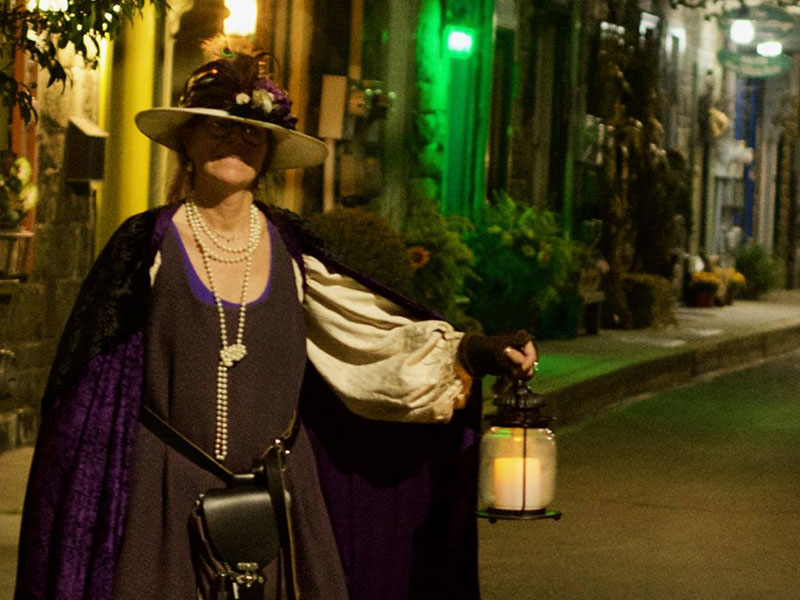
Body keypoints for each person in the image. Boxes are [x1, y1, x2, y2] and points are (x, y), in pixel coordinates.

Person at [15, 49, 537, 600]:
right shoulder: (144, 248)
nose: (235, 143)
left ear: (267, 154)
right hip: (162, 500)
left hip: (281, 502)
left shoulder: (296, 255)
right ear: (187, 141)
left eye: (252, 135)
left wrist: (473, 351)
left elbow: (374, 341)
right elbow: (87, 395)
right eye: (219, 129)